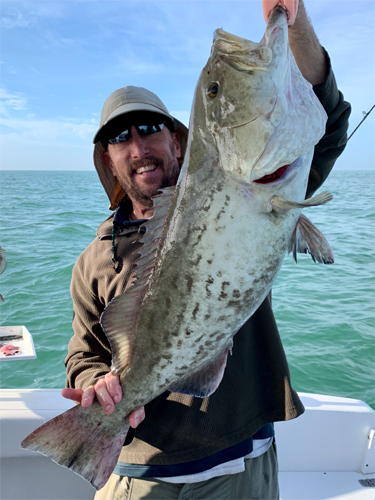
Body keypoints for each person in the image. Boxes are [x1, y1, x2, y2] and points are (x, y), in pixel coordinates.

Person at [63, 2, 351, 498]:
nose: (137, 146)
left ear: (178, 142)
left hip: (241, 462)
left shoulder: (259, 179)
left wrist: (295, 24)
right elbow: (84, 355)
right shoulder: (92, 261)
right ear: (108, 162)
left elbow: (327, 114)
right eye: (118, 137)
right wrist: (98, 384)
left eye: (150, 128)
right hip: (136, 473)